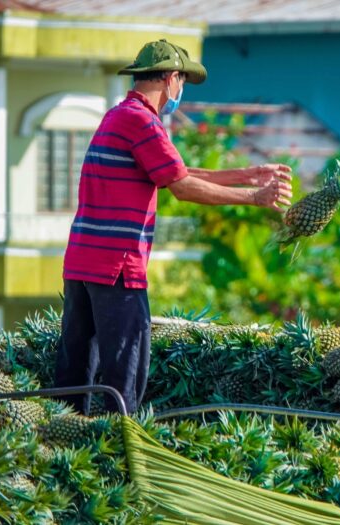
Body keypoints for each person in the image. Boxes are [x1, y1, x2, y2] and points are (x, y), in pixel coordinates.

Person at [56, 39, 293, 414]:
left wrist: (248, 174)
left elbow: (173, 172)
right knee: (124, 383)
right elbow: (181, 187)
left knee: (74, 379)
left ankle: (61, 447)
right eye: (182, 81)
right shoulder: (142, 121)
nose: (180, 90)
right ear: (171, 78)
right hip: (117, 267)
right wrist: (254, 197)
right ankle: (121, 454)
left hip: (83, 263)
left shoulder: (120, 116)